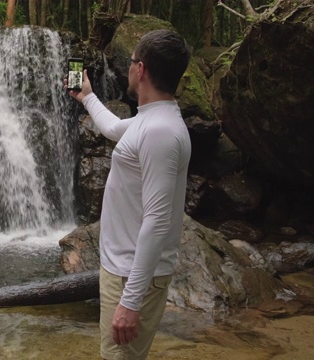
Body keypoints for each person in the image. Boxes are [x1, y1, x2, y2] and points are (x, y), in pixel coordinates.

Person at [65, 29, 191, 359]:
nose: (130, 67)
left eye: (132, 60)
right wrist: (87, 97)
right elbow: (112, 129)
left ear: (142, 69)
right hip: (120, 269)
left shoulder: (160, 132)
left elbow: (157, 222)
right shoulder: (149, 121)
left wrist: (131, 302)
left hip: (131, 277)